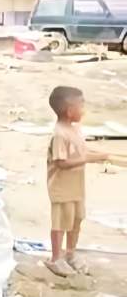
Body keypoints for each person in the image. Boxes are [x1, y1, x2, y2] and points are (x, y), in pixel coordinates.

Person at [45, 86, 108, 276]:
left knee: (76, 219)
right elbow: (61, 162)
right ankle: (56, 258)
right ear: (69, 111)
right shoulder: (59, 134)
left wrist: (100, 156)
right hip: (61, 188)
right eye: (81, 106)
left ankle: (70, 253)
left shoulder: (75, 130)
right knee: (60, 223)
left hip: (76, 187)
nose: (84, 110)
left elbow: (82, 152)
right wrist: (89, 159)